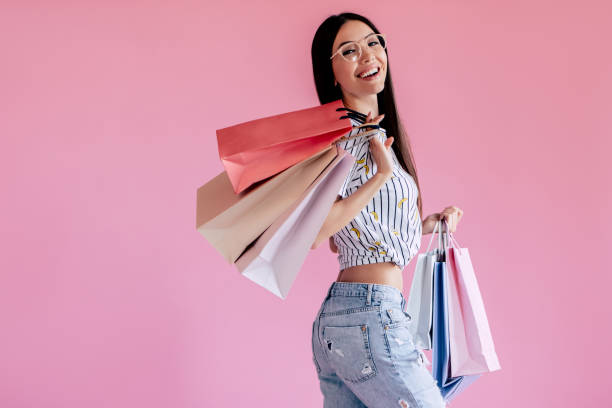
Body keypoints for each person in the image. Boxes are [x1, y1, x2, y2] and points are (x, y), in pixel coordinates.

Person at [309, 12, 464, 407]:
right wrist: (380, 176)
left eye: (373, 42)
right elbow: (317, 234)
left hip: (355, 314)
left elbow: (351, 231)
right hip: (368, 313)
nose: (367, 55)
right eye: (349, 50)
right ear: (333, 74)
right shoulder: (344, 142)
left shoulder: (376, 134)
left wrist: (425, 225)